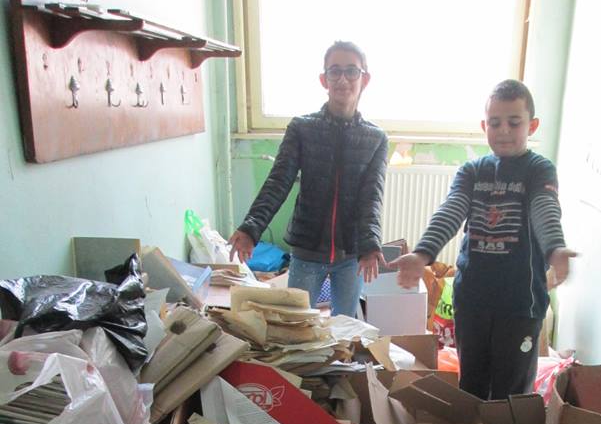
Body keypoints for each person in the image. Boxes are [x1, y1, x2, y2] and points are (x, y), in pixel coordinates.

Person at [393, 79, 576, 400]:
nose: (503, 130)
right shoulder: (472, 171)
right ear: (484, 126)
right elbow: (451, 210)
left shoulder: (538, 169)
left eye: (514, 122)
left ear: (532, 126)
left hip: (520, 304)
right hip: (472, 300)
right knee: (472, 385)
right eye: (495, 123)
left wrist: (554, 248)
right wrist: (422, 254)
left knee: (512, 391)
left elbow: (544, 208)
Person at [229, 41, 388, 318]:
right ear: (324, 80)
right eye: (335, 71)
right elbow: (278, 181)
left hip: (351, 255)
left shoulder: (376, 138)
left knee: (345, 327)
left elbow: (372, 197)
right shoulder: (302, 128)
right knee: (295, 323)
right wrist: (251, 227)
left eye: (351, 71)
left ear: (365, 79)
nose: (343, 79)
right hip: (307, 251)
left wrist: (370, 243)